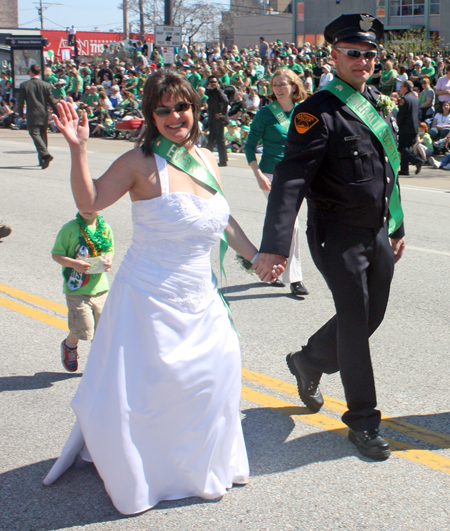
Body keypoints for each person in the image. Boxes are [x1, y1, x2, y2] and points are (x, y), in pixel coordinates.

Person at [43, 68, 264, 514]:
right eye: (162, 110)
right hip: (147, 296)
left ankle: (199, 464)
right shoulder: (138, 163)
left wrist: (257, 256)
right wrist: (77, 149)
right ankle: (151, 472)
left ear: (195, 109)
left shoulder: (206, 158)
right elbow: (90, 203)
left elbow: (221, 220)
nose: (174, 116)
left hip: (202, 294)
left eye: (181, 106)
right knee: (155, 390)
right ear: (150, 115)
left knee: (215, 375)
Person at [253, 14, 405, 461]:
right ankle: (363, 421)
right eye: (353, 53)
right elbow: (290, 180)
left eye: (369, 54)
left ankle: (308, 361)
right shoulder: (314, 112)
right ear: (334, 56)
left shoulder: (375, 104)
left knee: (370, 316)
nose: (362, 61)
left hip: (375, 230)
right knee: (355, 324)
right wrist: (276, 245)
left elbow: (387, 173)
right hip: (336, 236)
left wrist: (396, 226)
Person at [245, 68, 308, 298]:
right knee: (291, 225)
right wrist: (258, 174)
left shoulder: (304, 111)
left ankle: (269, 269)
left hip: (299, 174)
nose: (279, 89)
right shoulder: (265, 114)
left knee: (280, 224)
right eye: (275, 85)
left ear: (294, 86)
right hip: (271, 175)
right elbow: (250, 146)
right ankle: (295, 278)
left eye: (283, 84)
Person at [52, 210, 114, 372]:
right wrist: (74, 264)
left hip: (100, 287)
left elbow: (110, 249)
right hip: (76, 287)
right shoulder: (70, 229)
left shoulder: (104, 228)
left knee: (102, 329)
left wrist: (108, 259)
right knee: (84, 328)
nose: (87, 207)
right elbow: (57, 254)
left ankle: (98, 365)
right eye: (82, 203)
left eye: (93, 204)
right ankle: (69, 345)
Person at [17, 64, 58, 169]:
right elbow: (52, 101)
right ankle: (43, 160)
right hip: (43, 113)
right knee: (42, 135)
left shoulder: (24, 85)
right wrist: (58, 113)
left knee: (34, 134)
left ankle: (45, 155)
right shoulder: (46, 85)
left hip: (32, 113)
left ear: (31, 72)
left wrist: (21, 113)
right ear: (39, 73)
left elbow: (20, 101)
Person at [397, 80, 423, 175]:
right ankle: (404, 169)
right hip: (414, 127)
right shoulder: (415, 99)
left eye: (401, 86)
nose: (400, 88)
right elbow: (419, 115)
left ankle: (416, 160)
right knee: (406, 148)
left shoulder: (404, 99)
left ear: (406, 88)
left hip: (405, 128)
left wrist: (396, 125)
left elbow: (400, 115)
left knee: (401, 147)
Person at [205, 74, 229, 167]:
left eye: (214, 82)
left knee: (219, 140)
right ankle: (207, 159)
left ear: (218, 82)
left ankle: (223, 161)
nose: (213, 83)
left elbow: (226, 101)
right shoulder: (211, 92)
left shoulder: (219, 91)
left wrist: (222, 113)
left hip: (219, 120)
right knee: (211, 140)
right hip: (212, 119)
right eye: (211, 82)